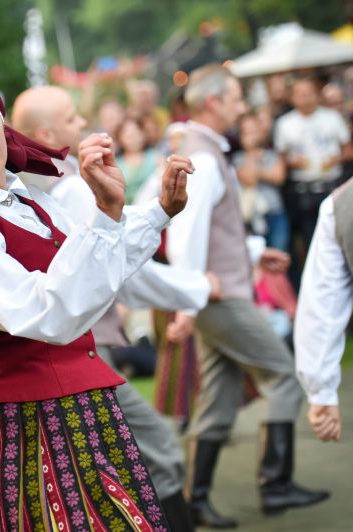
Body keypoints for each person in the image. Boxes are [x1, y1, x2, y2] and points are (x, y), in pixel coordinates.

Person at [0, 58, 193, 531]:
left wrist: (159, 210)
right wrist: (105, 214)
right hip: (8, 427)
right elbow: (47, 313)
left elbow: (96, 271)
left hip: (79, 406)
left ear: (2, 120)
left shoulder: (27, 199)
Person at [13, 84, 225, 531]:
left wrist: (161, 212)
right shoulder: (65, 187)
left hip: (78, 351)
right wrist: (196, 289)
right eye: (73, 117)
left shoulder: (47, 183)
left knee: (108, 472)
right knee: (152, 458)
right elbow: (124, 270)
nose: (82, 123)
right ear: (49, 130)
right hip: (86, 351)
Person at [169, 64, 329, 527]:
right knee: (282, 373)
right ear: (215, 102)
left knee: (217, 399)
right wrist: (188, 300)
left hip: (216, 293)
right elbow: (186, 235)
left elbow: (215, 229)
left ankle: (195, 499)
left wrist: (256, 252)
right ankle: (275, 487)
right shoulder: (201, 155)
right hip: (220, 298)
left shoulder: (205, 150)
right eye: (238, 97)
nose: (244, 105)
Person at [274, 76, 353, 274]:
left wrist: (335, 159)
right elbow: (281, 159)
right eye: (300, 94)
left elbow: (348, 149)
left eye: (309, 93)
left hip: (332, 186)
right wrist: (295, 162)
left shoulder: (332, 118)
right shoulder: (285, 124)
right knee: (314, 242)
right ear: (292, 98)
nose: (306, 98)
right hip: (304, 191)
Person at [294, 177, 353, 443]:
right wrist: (321, 389)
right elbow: (323, 299)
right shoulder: (339, 205)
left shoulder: (340, 203)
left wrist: (321, 391)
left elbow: (323, 301)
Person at [233, 112, 289, 251]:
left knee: (279, 252)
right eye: (247, 133)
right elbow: (249, 180)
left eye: (254, 131)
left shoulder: (272, 154)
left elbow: (279, 177)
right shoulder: (238, 159)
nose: (252, 136)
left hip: (275, 212)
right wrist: (252, 155)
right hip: (251, 218)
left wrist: (258, 172)